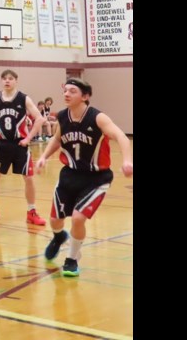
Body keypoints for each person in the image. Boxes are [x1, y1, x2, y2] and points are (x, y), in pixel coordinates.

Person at [36, 78, 133, 277]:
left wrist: (127, 161)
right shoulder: (62, 116)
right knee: (55, 219)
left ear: (85, 96)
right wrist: (43, 157)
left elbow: (121, 137)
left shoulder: (98, 118)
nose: (67, 94)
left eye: (73, 91)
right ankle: (58, 237)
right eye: (66, 90)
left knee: (79, 218)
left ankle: (72, 259)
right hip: (69, 175)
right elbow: (56, 139)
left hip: (96, 178)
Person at [0, 70, 46, 226]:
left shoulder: (23, 98)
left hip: (20, 143)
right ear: (1, 81)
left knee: (28, 178)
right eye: (5, 79)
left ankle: (31, 211)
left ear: (16, 81)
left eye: (10, 79)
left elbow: (39, 119)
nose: (7, 81)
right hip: (2, 144)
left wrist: (28, 138)